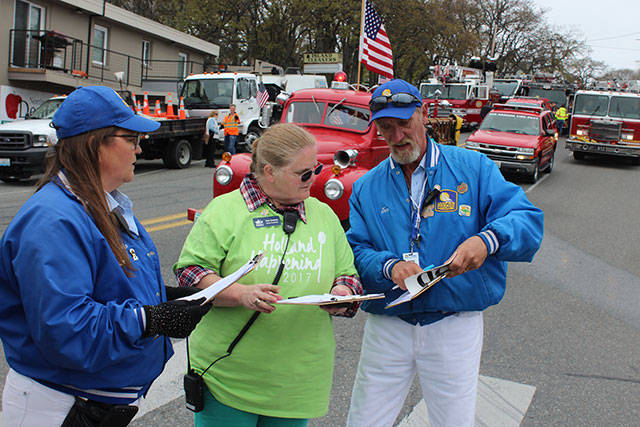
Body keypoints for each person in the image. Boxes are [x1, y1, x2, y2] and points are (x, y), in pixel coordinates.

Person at [0, 86, 211, 427]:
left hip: (88, 403)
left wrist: (164, 298)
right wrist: (150, 319)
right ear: (96, 144)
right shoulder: (53, 220)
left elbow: (106, 282)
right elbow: (66, 329)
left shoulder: (103, 202)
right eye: (132, 138)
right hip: (58, 407)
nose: (140, 148)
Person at [345, 79, 543, 427]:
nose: (396, 136)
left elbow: (526, 220)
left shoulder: (474, 168)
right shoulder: (365, 186)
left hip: (453, 323)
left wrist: (488, 240)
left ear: (423, 114)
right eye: (386, 128)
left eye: (404, 124)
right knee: (364, 420)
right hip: (389, 325)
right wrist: (388, 266)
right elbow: (356, 249)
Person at [174, 123, 363, 426]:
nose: (313, 178)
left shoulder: (324, 215)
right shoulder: (224, 211)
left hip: (297, 382)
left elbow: (347, 275)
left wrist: (343, 294)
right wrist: (240, 294)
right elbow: (191, 274)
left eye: (314, 169)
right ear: (269, 171)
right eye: (303, 173)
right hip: (228, 378)